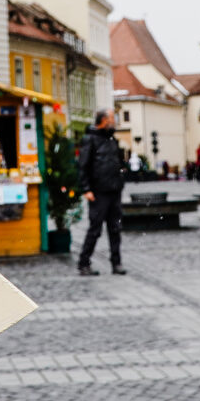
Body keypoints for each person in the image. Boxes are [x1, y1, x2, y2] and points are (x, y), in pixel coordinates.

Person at [77, 108, 126, 276]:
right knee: (95, 230)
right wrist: (86, 189)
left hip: (114, 190)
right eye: (112, 118)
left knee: (115, 229)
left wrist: (120, 179)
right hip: (98, 192)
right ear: (103, 120)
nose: (114, 121)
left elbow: (118, 163)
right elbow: (82, 166)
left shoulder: (112, 140)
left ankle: (116, 263)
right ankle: (84, 263)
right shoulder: (90, 139)